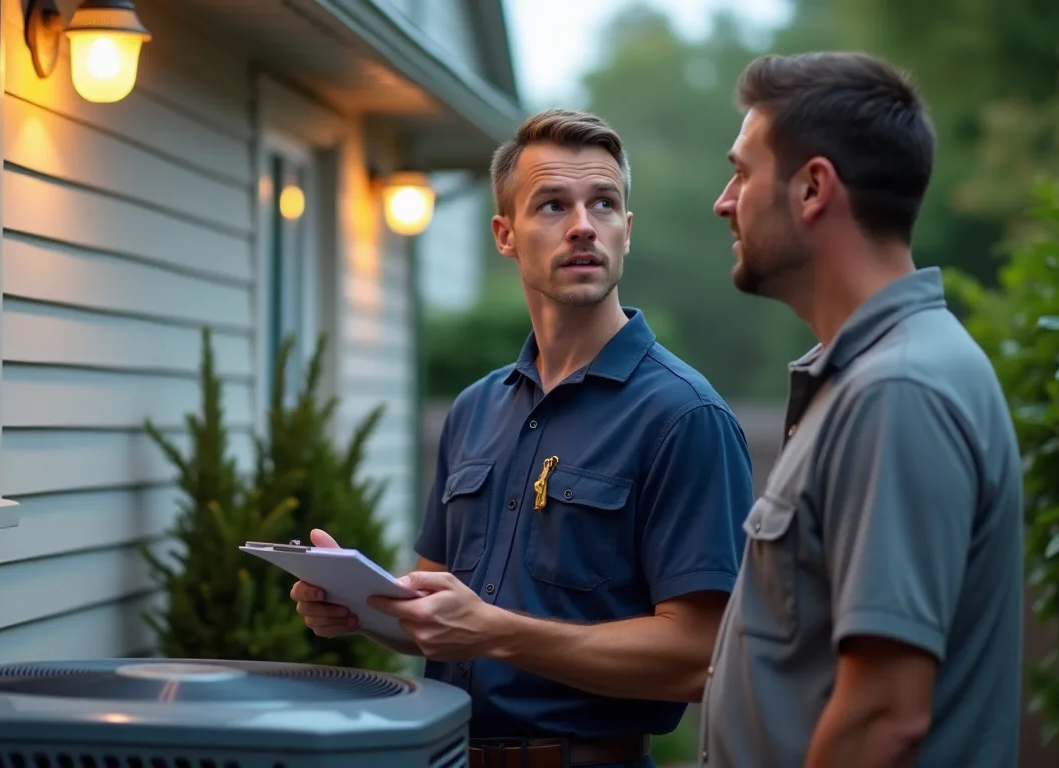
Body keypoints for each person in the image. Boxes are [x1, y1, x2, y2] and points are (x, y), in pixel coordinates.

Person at [290, 108, 755, 768]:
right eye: (552, 206)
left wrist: (498, 634)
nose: (584, 226)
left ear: (628, 231)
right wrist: (360, 606)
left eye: (604, 203)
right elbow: (439, 611)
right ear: (505, 234)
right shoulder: (475, 408)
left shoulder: (684, 416)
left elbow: (701, 657)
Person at [698, 52, 1025, 768]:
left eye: (743, 171)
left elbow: (883, 714)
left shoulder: (897, 391)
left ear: (814, 188)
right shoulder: (867, 380)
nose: (725, 201)